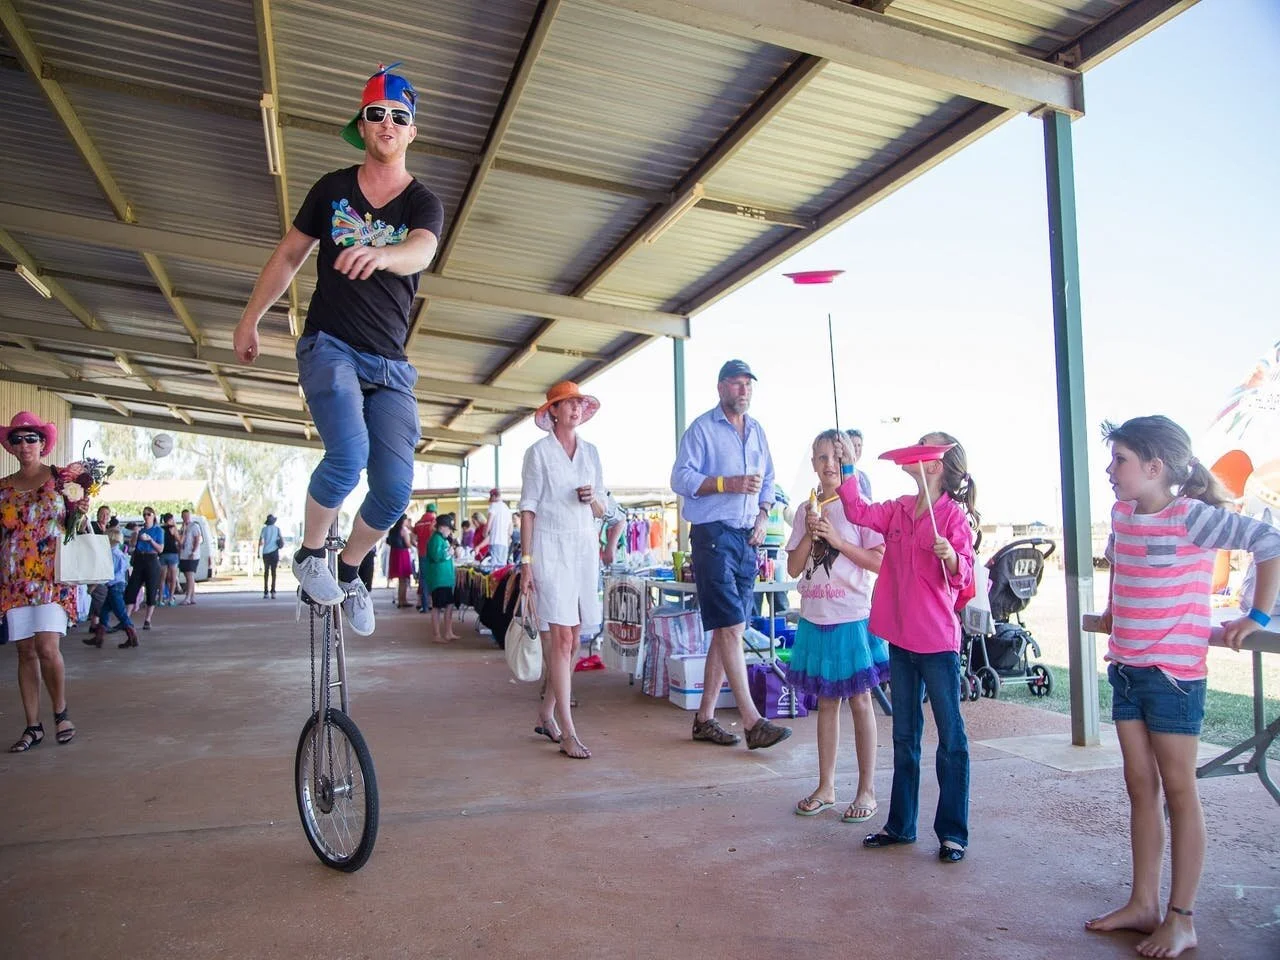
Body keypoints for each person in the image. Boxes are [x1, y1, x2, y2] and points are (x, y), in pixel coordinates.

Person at [233, 62, 444, 637]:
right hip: (331, 345)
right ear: (363, 124)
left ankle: (349, 569)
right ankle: (308, 556)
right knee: (349, 454)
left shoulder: (422, 202)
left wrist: (384, 255)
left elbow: (422, 250)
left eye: (398, 117)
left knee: (395, 489)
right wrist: (251, 318)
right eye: (377, 114)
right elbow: (288, 256)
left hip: (391, 366)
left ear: (411, 131)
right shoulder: (332, 189)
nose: (387, 123)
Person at [1084, 415, 1280, 958]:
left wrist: (1257, 616)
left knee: (1178, 791)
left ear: (1155, 467)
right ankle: (1143, 903)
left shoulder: (1191, 517)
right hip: (1126, 669)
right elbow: (1123, 565)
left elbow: (1269, 540)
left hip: (1173, 677)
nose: (1110, 470)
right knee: (1139, 787)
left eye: (1120, 460)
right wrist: (1112, 609)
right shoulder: (1122, 514)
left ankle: (1182, 918)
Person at [834, 432, 978, 863]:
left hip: (936, 642)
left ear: (934, 464)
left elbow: (965, 576)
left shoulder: (952, 517)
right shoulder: (898, 508)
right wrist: (847, 466)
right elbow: (858, 511)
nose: (913, 449)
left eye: (923, 446)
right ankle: (901, 824)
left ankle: (952, 834)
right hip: (899, 638)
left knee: (951, 737)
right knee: (904, 735)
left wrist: (950, 556)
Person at [669, 360, 792, 751]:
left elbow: (769, 479)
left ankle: (704, 718)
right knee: (731, 627)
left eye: (748, 385)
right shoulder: (702, 429)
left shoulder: (757, 431)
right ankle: (753, 721)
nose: (744, 390)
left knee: (729, 630)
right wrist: (727, 483)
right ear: (721, 387)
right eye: (737, 384)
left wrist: (762, 516)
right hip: (712, 535)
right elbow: (680, 478)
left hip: (745, 537)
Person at [786, 429, 888, 823]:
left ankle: (867, 790)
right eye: (822, 457)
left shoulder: (859, 507)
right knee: (827, 702)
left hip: (851, 617)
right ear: (813, 463)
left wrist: (838, 541)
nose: (829, 464)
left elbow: (879, 561)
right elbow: (794, 567)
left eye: (837, 457)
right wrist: (812, 534)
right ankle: (826, 786)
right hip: (815, 617)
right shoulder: (805, 509)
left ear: (849, 461)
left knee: (860, 700)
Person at [519, 381, 609, 759]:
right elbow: (528, 509)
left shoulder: (591, 453)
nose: (574, 408)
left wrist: (593, 499)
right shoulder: (538, 453)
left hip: (584, 547)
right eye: (567, 403)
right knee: (561, 638)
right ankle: (569, 730)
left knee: (575, 638)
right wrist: (526, 563)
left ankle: (546, 713)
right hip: (550, 548)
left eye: (578, 403)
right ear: (552, 411)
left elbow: (604, 508)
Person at [0, 412, 79, 750]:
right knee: (25, 651)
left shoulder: (62, 479)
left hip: (51, 577)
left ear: (43, 443)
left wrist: (80, 508)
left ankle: (61, 712)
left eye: (31, 438)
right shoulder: (3, 487)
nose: (24, 445)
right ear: (10, 446)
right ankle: (33, 725)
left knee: (47, 647)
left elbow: (76, 520)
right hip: (14, 579)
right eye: (17, 439)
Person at [86, 527, 138, 649]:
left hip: (114, 586)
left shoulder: (111, 555)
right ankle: (99, 637)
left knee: (121, 613)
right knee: (104, 611)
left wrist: (93, 586)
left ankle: (132, 636)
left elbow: (107, 573)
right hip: (117, 585)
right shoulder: (120, 554)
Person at [124, 506, 164, 632]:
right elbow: (132, 546)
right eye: (144, 514)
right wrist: (135, 537)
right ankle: (126, 618)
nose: (146, 517)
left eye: (148, 514)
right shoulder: (140, 531)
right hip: (139, 559)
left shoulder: (158, 531)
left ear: (153, 516)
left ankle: (148, 619)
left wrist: (150, 540)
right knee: (132, 588)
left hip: (151, 559)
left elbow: (160, 549)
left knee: (151, 590)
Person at [423, 513, 459, 644]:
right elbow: (436, 556)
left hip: (445, 578)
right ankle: (437, 634)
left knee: (449, 605)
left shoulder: (443, 539)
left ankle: (448, 632)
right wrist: (449, 552)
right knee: (437, 606)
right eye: (449, 529)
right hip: (439, 579)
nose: (450, 532)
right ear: (442, 527)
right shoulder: (436, 539)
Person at [86, 503, 113, 634]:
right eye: (102, 514)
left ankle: (95, 622)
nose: (104, 516)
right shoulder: (92, 527)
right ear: (97, 515)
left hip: (103, 565)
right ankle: (96, 622)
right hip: (93, 564)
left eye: (107, 514)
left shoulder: (109, 529)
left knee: (101, 593)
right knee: (99, 592)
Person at [412, 504, 437, 611]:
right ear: (434, 512)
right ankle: (434, 604)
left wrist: (418, 545)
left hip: (422, 553)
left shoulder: (418, 523)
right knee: (435, 577)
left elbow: (413, 539)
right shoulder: (434, 521)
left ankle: (424, 605)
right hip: (433, 553)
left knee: (423, 578)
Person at [386, 512, 413, 607]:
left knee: (400, 579)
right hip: (403, 554)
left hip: (394, 553)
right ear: (403, 520)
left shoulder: (392, 530)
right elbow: (408, 544)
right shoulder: (404, 530)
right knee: (403, 579)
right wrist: (413, 544)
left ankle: (400, 600)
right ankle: (403, 600)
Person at [480, 490, 513, 566]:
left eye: (491, 497)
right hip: (504, 544)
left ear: (494, 496)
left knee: (494, 568)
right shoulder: (507, 509)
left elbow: (489, 523)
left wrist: (484, 534)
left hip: (495, 541)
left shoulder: (493, 506)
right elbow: (510, 529)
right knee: (502, 568)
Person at [177, 508, 203, 605]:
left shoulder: (194, 526)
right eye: (184, 516)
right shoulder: (182, 527)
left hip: (192, 555)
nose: (186, 518)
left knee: (190, 575)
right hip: (183, 554)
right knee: (188, 576)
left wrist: (194, 551)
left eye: (187, 516)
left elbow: (197, 539)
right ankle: (192, 597)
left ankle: (188, 597)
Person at [157, 512, 180, 605]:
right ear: (170, 519)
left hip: (162, 554)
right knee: (173, 577)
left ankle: (160, 599)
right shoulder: (173, 528)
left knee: (162, 578)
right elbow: (179, 540)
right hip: (173, 553)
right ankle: (171, 599)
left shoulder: (160, 529)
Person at [258, 513, 282, 599]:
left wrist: (258, 552)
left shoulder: (264, 529)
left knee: (266, 572)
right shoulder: (277, 529)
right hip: (274, 552)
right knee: (274, 572)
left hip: (266, 552)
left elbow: (260, 541)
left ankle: (265, 592)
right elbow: (281, 539)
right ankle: (273, 591)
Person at [845, 428, 873, 498]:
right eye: (853, 445)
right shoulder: (837, 473)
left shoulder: (864, 477)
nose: (857, 449)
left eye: (859, 445)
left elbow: (870, 500)